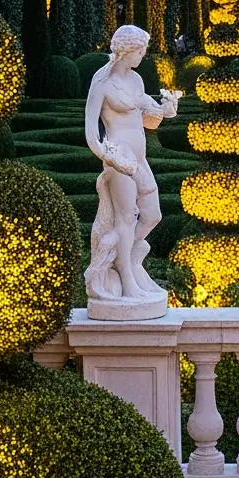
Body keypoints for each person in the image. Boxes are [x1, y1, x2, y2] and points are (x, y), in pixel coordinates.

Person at [84, 23, 180, 306]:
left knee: (152, 214)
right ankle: (126, 278)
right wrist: (107, 156)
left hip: (138, 158)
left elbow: (149, 119)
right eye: (140, 50)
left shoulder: (136, 81)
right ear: (127, 50)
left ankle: (115, 251)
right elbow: (91, 130)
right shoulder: (101, 82)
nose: (143, 56)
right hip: (119, 157)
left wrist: (166, 110)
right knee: (126, 218)